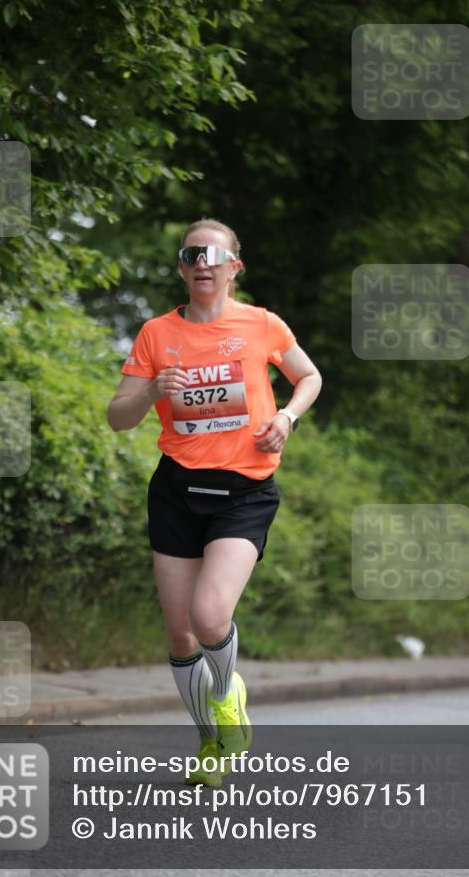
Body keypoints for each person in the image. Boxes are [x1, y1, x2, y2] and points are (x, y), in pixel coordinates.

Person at [107, 218, 322, 786]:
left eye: (213, 255)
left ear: (234, 267)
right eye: (191, 254)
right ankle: (211, 742)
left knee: (209, 618)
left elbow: (309, 376)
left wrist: (287, 416)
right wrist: (152, 391)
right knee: (179, 633)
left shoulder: (261, 324)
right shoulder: (156, 333)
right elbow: (117, 417)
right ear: (181, 267)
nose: (202, 262)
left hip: (243, 491)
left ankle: (228, 698)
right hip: (177, 489)